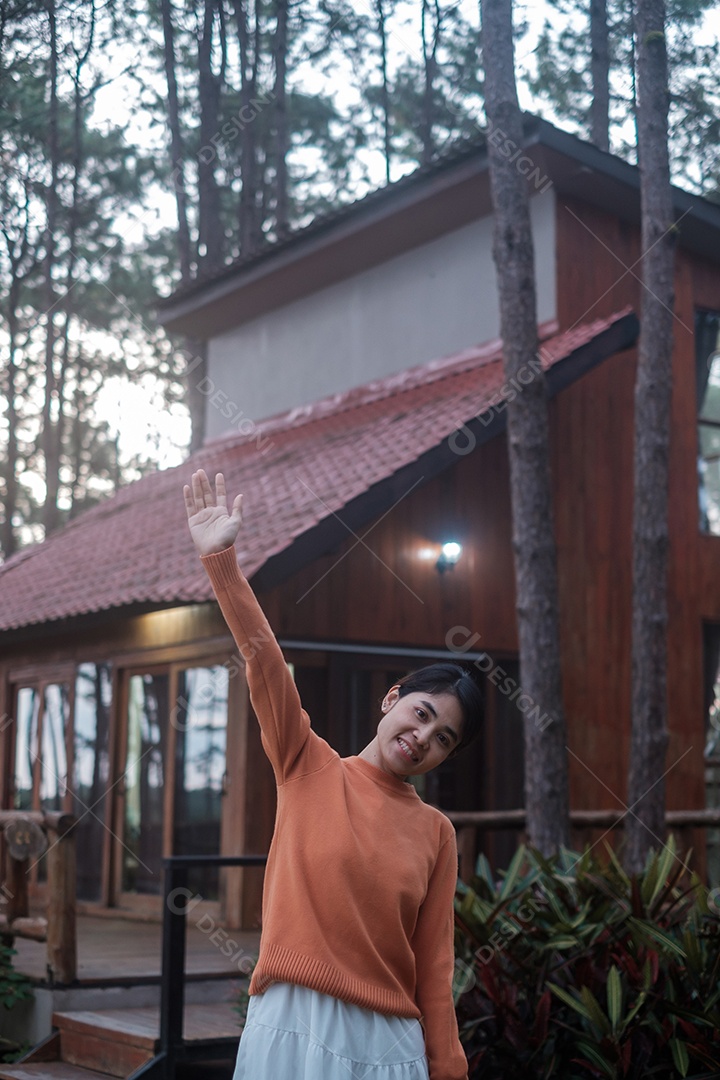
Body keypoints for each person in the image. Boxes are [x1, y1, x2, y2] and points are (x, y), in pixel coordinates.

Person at [184, 469, 481, 1080]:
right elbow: (263, 661)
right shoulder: (305, 764)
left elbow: (435, 961)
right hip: (292, 1024)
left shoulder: (436, 834)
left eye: (443, 738)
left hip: (389, 1044)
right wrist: (224, 565)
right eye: (421, 714)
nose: (422, 737)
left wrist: (448, 1064)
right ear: (391, 700)